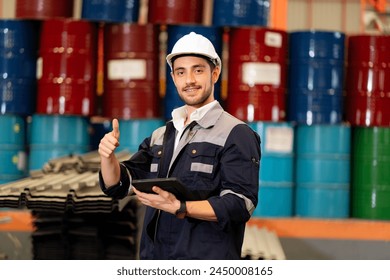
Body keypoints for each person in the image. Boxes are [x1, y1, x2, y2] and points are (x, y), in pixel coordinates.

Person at [98, 32, 261, 260]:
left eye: (198, 70)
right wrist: (107, 157)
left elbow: (240, 204)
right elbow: (120, 185)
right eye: (181, 72)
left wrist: (181, 207)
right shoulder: (161, 136)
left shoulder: (236, 133)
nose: (190, 80)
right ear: (173, 78)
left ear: (215, 73)